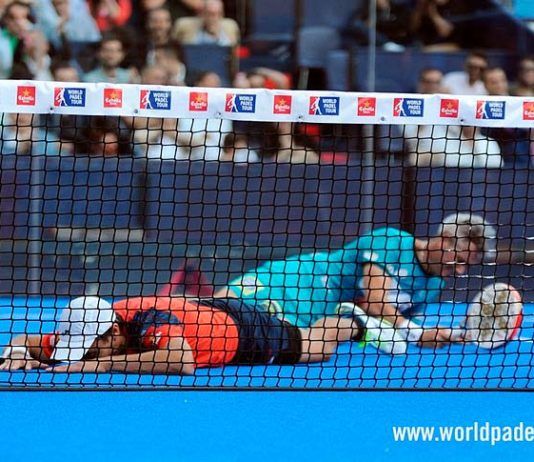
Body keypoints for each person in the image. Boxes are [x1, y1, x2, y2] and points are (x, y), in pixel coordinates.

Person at [215, 213, 496, 349]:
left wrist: (442, 336)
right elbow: (376, 303)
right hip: (296, 281)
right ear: (444, 240)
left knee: (247, 338)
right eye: (459, 260)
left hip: (318, 318)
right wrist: (419, 332)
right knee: (217, 307)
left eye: (466, 266)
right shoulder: (391, 241)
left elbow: (392, 322)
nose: (460, 271)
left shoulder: (435, 285)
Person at [0, 295, 396, 373]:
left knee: (316, 348)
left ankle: (353, 321)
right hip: (210, 313)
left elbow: (181, 361)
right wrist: (16, 351)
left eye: (93, 346)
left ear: (114, 330)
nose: (87, 352)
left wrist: (100, 368)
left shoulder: (147, 318)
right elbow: (27, 340)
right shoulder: (90, 322)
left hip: (244, 333)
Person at [173, 0, 239, 46]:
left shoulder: (231, 27)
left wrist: (216, 35)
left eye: (219, 14)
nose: (215, 18)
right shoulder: (185, 27)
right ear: (203, 14)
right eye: (211, 14)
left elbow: (234, 54)